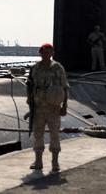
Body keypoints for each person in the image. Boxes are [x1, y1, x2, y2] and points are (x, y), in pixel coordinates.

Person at [26, 43, 69, 172]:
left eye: (49, 52)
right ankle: (38, 161)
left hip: (53, 108)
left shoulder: (57, 68)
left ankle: (55, 162)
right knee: (38, 134)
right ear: (40, 53)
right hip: (38, 108)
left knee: (54, 135)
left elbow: (64, 87)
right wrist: (30, 101)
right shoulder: (35, 68)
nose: (46, 54)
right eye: (44, 52)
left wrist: (64, 106)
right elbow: (29, 84)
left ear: (52, 53)